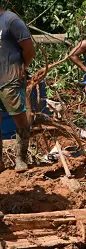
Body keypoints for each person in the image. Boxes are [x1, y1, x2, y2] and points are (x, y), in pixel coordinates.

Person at [0, 7, 34, 172]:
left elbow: (29, 50)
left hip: (11, 80)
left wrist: (21, 68)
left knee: (20, 119)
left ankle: (21, 158)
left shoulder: (11, 20)